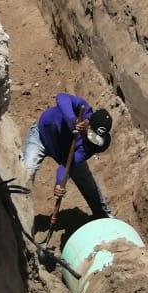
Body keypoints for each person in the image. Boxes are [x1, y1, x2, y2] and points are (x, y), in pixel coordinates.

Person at [22, 92, 113, 220]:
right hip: (41, 137)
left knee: (87, 183)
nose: (91, 138)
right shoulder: (83, 108)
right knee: (26, 173)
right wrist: (72, 120)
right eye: (91, 133)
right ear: (87, 121)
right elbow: (61, 97)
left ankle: (104, 217)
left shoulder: (93, 145)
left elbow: (68, 164)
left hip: (65, 153)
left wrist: (60, 183)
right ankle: (20, 217)